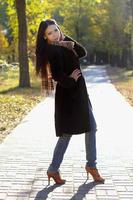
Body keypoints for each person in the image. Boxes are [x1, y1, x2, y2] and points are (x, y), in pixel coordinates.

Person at [35, 19, 105, 185]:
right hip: (69, 96)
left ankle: (87, 166)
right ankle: (82, 166)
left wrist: (68, 40)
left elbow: (82, 53)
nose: (54, 35)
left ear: (59, 29)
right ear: (45, 37)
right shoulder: (53, 51)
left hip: (79, 94)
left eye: (56, 30)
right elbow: (58, 76)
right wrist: (72, 80)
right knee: (68, 134)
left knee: (89, 128)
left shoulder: (63, 45)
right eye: (50, 33)